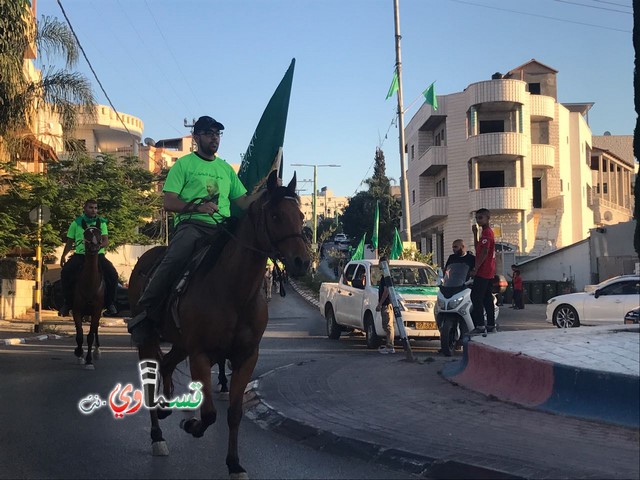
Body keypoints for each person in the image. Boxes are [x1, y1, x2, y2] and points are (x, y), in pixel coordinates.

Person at [127, 115, 262, 345]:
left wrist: (267, 191)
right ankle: (146, 311)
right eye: (209, 133)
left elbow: (243, 202)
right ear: (196, 137)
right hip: (193, 226)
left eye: (217, 134)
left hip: (223, 229)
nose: (214, 138)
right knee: (175, 257)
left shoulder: (226, 169)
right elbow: (169, 202)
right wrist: (199, 206)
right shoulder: (184, 165)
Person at [59, 199, 119, 316]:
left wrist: (96, 246)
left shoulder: (101, 223)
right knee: (65, 272)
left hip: (98, 255)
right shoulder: (76, 223)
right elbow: (70, 242)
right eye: (91, 207)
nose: (94, 210)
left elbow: (106, 240)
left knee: (112, 274)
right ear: (85, 208)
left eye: (95, 208)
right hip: (81, 255)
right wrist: (63, 255)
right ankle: (67, 303)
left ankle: (110, 303)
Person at [470, 208, 496, 333]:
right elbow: (478, 248)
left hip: (484, 271)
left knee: (476, 297)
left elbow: (484, 252)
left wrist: (476, 268)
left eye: (481, 218)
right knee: (486, 298)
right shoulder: (483, 233)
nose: (478, 220)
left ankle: (480, 325)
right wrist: (475, 234)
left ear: (487, 218)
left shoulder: (487, 233)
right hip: (487, 271)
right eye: (477, 218)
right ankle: (491, 325)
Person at [376, 256, 395, 354]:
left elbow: (386, 291)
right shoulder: (385, 275)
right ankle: (389, 345)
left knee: (388, 326)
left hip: (386, 304)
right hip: (387, 304)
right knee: (386, 326)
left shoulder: (386, 276)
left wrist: (380, 304)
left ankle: (390, 346)